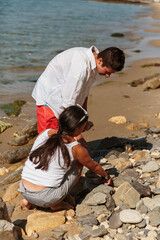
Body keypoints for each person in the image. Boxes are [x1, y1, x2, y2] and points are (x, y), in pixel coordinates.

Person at [19, 105, 112, 211]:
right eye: (84, 126)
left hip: (23, 189)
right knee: (79, 163)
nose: (85, 128)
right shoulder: (76, 149)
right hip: (46, 198)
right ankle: (57, 204)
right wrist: (106, 176)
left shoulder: (45, 133)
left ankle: (28, 201)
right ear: (77, 128)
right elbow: (94, 166)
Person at [32, 46, 125, 143]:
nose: (108, 76)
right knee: (48, 140)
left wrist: (84, 117)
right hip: (50, 98)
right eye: (107, 72)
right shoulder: (81, 66)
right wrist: (77, 134)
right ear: (100, 61)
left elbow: (84, 93)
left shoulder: (93, 63)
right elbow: (68, 102)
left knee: (62, 141)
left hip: (63, 101)